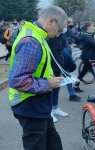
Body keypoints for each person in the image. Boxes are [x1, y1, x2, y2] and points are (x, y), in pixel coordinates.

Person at [8, 6, 68, 150]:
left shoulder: (36, 34)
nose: (59, 34)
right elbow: (17, 80)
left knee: (53, 143)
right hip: (29, 103)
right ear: (51, 21)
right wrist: (48, 84)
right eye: (60, 30)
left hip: (37, 103)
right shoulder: (31, 42)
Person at [73, 21, 95, 92]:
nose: (93, 27)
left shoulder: (86, 35)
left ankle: (76, 86)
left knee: (83, 72)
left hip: (87, 57)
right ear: (88, 27)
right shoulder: (87, 37)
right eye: (92, 26)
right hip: (90, 58)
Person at [48, 30, 70, 123]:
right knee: (49, 90)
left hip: (59, 66)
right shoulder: (48, 36)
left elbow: (66, 47)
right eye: (64, 25)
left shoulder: (63, 36)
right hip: (49, 67)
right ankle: (49, 112)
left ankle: (55, 108)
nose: (65, 27)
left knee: (57, 88)